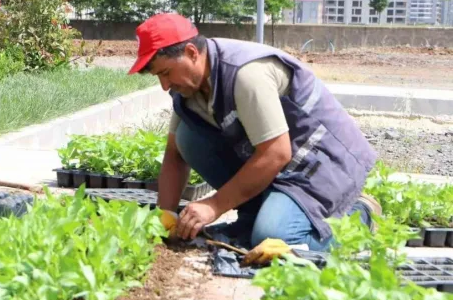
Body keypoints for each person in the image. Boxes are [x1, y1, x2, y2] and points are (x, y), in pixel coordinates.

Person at [128, 13, 381, 256]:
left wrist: (214, 205)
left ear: (192, 53)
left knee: (274, 238)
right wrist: (166, 213)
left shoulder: (245, 73)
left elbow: (276, 153)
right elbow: (175, 154)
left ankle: (360, 216)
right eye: (157, 76)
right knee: (186, 137)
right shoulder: (188, 87)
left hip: (319, 165)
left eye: (165, 73)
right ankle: (255, 214)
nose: (164, 86)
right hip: (279, 165)